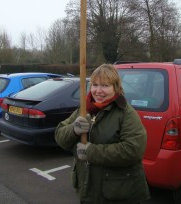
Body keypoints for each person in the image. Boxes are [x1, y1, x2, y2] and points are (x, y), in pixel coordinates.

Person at [55, 64, 150, 204]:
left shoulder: (125, 113)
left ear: (116, 87)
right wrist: (74, 130)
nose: (98, 91)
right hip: (88, 189)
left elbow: (133, 150)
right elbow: (59, 135)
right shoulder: (84, 109)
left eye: (105, 85)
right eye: (95, 85)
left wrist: (91, 152)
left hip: (117, 193)